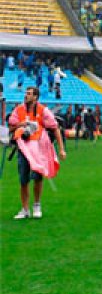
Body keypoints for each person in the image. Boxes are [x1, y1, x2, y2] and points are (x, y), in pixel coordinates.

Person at [7, 87, 66, 220]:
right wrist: (21, 124)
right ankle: (25, 209)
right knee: (23, 179)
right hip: (23, 149)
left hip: (39, 149)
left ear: (36, 97)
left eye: (29, 94)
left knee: (38, 177)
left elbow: (55, 128)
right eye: (26, 93)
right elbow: (10, 127)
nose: (26, 96)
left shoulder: (43, 110)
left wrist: (61, 149)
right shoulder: (19, 110)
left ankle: (37, 205)